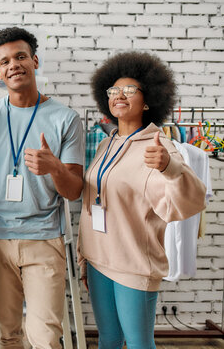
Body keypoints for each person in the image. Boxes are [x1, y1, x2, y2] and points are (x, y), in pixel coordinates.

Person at [77, 51, 207, 349]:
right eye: (113, 90)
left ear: (147, 101)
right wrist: (85, 256)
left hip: (134, 264)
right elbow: (90, 203)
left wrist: (168, 167)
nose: (119, 95)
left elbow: (193, 200)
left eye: (129, 90)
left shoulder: (160, 146)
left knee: (138, 343)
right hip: (98, 262)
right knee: (108, 340)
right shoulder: (105, 145)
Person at [0, 27, 84, 348]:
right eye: (5, 61)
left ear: (34, 61)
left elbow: (74, 189)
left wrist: (54, 167)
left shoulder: (65, 118)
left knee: (46, 338)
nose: (14, 65)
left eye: (21, 56)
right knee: (7, 333)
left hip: (44, 239)